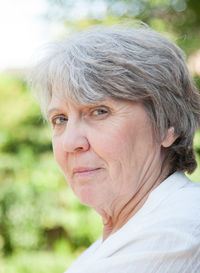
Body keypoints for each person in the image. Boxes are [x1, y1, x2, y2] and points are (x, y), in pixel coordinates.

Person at [30, 24, 200, 273]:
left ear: (168, 125)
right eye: (60, 119)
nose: (69, 143)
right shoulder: (116, 240)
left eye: (99, 111)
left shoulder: (180, 229)